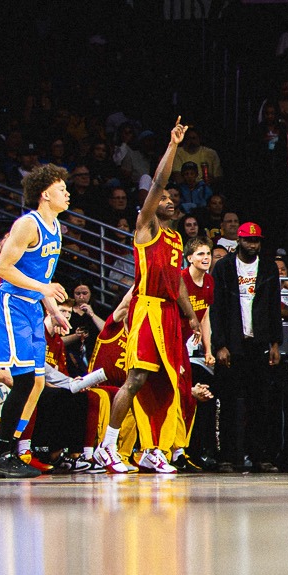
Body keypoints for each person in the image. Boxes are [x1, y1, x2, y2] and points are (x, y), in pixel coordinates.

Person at [95, 121, 195, 475]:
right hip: (147, 309)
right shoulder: (146, 227)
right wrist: (172, 145)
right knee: (135, 378)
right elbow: (157, 182)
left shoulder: (176, 239)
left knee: (166, 385)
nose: (168, 200)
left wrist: (191, 316)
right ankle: (106, 446)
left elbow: (179, 282)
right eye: (163, 198)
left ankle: (152, 449)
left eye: (171, 199)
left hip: (170, 313)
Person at [0, 163, 70, 477]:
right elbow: (3, 269)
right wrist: (44, 289)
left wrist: (54, 310)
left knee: (36, 381)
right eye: (62, 189)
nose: (68, 194)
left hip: (33, 307)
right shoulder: (27, 224)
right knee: (22, 382)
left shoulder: (56, 226)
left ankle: (13, 447)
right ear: (46, 193)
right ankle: (0, 453)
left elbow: (39, 276)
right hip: (12, 305)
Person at [210, 221, 284, 472]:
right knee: (229, 403)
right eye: (248, 240)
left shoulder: (268, 268)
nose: (253, 245)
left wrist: (275, 342)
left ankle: (260, 456)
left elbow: (274, 307)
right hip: (232, 343)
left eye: (257, 241)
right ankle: (228, 457)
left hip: (260, 342)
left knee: (261, 404)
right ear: (238, 241)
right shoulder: (223, 267)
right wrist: (219, 345)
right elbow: (216, 308)